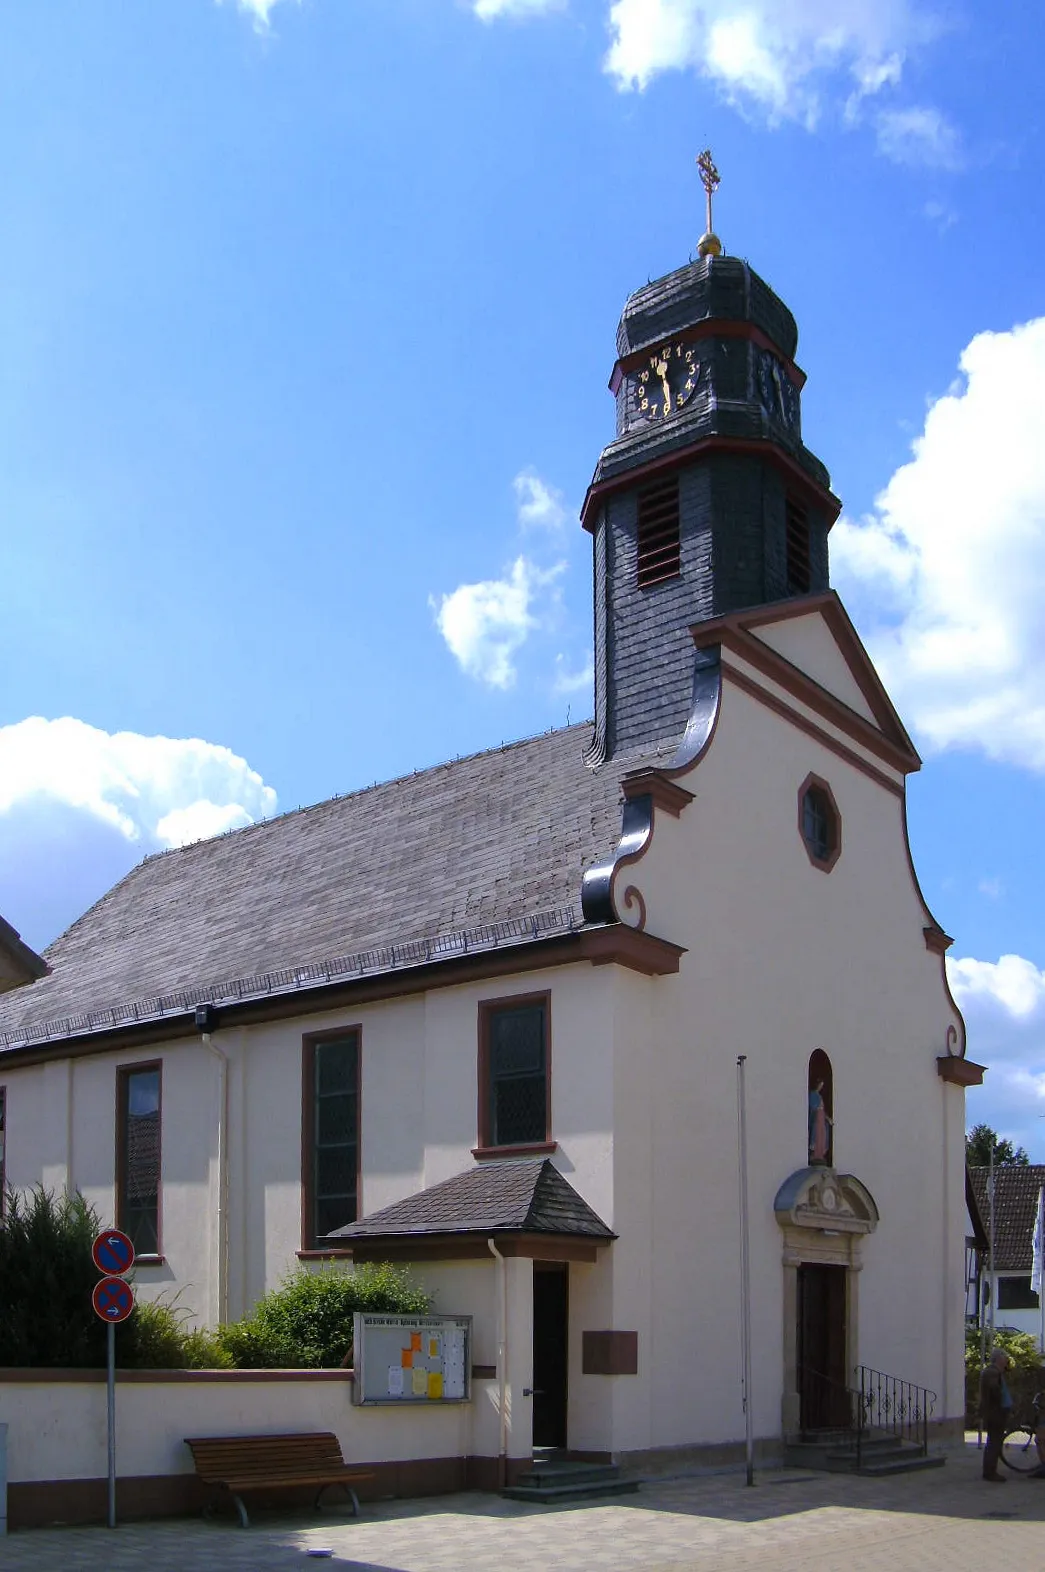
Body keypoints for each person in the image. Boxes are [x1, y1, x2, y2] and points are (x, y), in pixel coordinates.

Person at [979, 1347, 1013, 1482]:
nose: (1006, 1361)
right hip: (995, 1413)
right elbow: (995, 1391)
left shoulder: (996, 1372)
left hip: (996, 1412)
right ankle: (990, 1472)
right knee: (994, 1442)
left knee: (994, 1441)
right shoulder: (992, 1373)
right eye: (1004, 1358)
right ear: (999, 1359)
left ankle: (990, 1470)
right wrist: (1002, 1405)